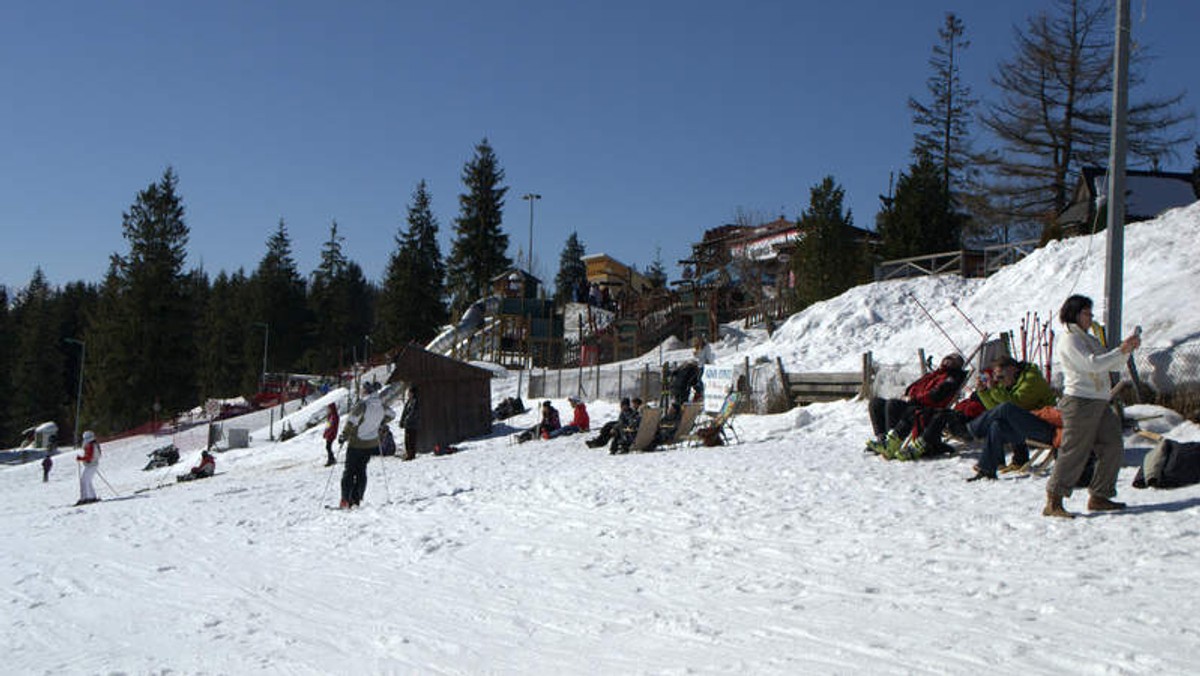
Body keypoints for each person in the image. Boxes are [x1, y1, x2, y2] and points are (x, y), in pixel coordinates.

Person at [1042, 295, 1140, 518]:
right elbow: (1092, 364)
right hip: (1080, 401)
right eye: (1087, 313)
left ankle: (1100, 495)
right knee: (1074, 451)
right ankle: (1054, 499)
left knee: (1113, 444)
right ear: (1075, 314)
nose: (1090, 317)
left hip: (1098, 400)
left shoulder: (1087, 338)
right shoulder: (1070, 340)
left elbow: (1109, 363)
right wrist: (1120, 351)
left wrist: (1126, 350)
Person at [965, 356, 1058, 481]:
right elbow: (995, 409)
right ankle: (986, 469)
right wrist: (984, 392)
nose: (999, 380)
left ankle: (972, 430)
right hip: (1028, 425)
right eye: (997, 377)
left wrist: (994, 389)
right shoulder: (1011, 382)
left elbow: (1016, 404)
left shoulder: (1032, 379)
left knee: (1007, 407)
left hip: (1048, 427)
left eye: (1001, 376)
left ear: (1012, 369)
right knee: (997, 424)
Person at [866, 353, 966, 460]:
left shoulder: (951, 378)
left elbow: (935, 395)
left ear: (956, 365)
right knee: (875, 403)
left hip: (924, 406)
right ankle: (882, 439)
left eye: (951, 360)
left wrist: (913, 399)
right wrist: (907, 395)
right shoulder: (934, 374)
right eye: (946, 358)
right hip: (913, 400)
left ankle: (891, 443)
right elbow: (914, 386)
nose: (946, 361)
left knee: (893, 404)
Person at [337, 381, 395, 508]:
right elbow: (392, 415)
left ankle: (345, 499)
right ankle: (356, 499)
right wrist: (380, 422)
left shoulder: (363, 405)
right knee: (361, 471)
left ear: (367, 391)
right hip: (371, 443)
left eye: (363, 389)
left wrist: (344, 436)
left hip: (357, 443)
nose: (361, 391)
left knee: (349, 472)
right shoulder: (380, 405)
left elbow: (351, 422)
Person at [75, 430, 101, 505]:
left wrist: (80, 458)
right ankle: (92, 496)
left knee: (83, 481)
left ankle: (85, 498)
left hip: (91, 465)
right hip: (93, 464)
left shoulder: (90, 445)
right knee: (87, 481)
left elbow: (89, 457)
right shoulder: (94, 444)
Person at [399, 385, 420, 461]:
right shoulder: (408, 401)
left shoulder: (415, 401)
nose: (408, 394)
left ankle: (411, 454)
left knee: (411, 439)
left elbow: (413, 412)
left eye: (409, 392)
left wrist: (407, 420)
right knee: (407, 440)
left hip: (413, 424)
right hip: (407, 424)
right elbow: (405, 412)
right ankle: (408, 453)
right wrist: (402, 421)